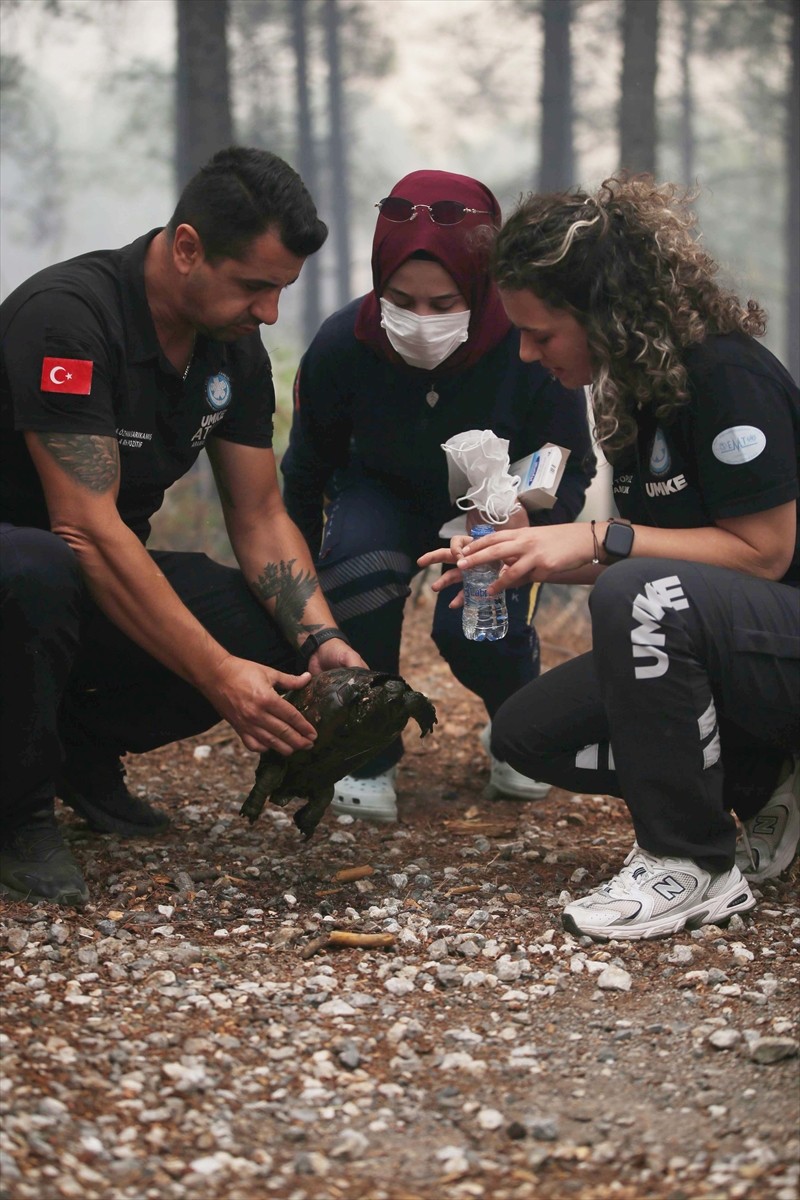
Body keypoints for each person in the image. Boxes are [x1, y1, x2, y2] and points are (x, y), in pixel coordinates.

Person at [420, 175, 800, 941]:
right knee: (528, 735)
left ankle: (690, 861)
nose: (527, 355)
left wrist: (594, 540)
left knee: (634, 592)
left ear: (606, 313)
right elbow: (672, 551)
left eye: (540, 333)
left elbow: (763, 554)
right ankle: (763, 780)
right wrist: (533, 553)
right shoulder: (634, 390)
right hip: (720, 639)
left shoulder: (727, 376)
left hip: (778, 640)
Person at [0, 146, 366, 907]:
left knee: (268, 631)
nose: (268, 312)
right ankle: (18, 808)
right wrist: (215, 674)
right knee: (37, 567)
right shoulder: (68, 318)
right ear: (188, 248)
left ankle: (75, 748)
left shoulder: (231, 345)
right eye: (254, 286)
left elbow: (260, 513)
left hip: (85, 574)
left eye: (280, 291)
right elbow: (87, 528)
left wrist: (321, 640)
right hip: (29, 567)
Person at [281, 170, 596, 824]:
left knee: (479, 624)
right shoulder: (344, 345)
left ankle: (517, 726)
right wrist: (299, 585)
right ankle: (367, 754)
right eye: (402, 300)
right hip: (378, 495)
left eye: (442, 303)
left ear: (481, 290)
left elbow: (571, 462)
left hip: (491, 507)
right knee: (359, 568)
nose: (420, 321)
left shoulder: (525, 344)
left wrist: (531, 521)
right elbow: (306, 469)